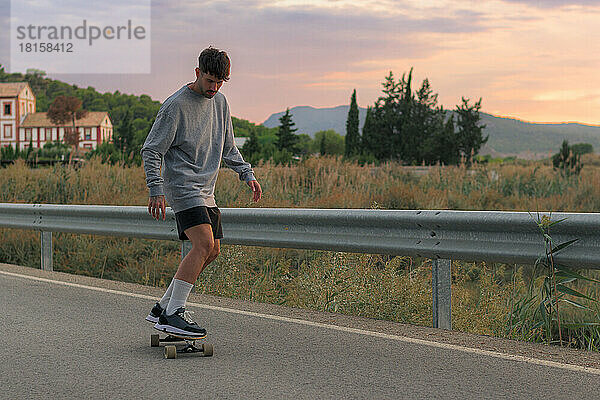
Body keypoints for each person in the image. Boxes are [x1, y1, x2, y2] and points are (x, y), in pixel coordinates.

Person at [140, 47, 262, 337]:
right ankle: (173, 313)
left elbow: (228, 147)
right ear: (197, 73)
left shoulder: (220, 102)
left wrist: (246, 173)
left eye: (220, 82)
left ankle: (163, 306)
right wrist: (156, 188)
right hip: (182, 186)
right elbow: (151, 149)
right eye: (210, 81)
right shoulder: (175, 107)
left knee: (213, 250)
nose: (214, 88)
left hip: (207, 189)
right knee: (203, 244)